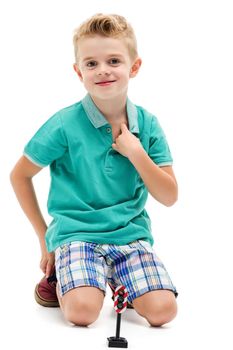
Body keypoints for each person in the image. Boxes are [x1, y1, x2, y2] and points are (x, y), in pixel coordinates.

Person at [10, 13, 178, 327]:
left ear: (134, 67)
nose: (102, 70)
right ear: (79, 72)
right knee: (82, 313)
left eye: (114, 60)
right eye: (91, 64)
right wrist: (45, 237)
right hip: (76, 234)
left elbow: (169, 196)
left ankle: (114, 277)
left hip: (130, 237)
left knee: (163, 312)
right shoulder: (64, 124)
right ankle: (66, 277)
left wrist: (136, 152)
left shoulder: (148, 124)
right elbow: (20, 175)